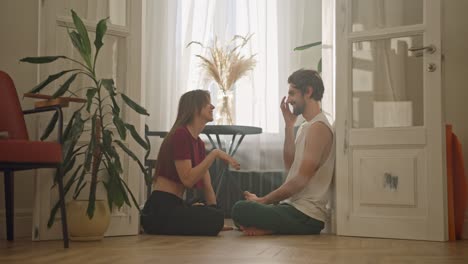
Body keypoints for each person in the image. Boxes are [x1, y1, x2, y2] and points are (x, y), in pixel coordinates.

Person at [231, 69, 335, 236]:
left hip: (306, 216)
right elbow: (290, 165)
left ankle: (270, 227)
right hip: (293, 208)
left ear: (308, 92)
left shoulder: (319, 128)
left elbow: (300, 180)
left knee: (240, 209)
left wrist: (263, 201)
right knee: (242, 211)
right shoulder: (305, 127)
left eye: (292, 93)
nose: (289, 100)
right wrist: (288, 126)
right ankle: (268, 227)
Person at [141, 89, 240, 236]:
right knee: (211, 217)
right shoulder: (181, 134)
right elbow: (187, 180)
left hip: (176, 204)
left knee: (214, 215)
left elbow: (207, 184)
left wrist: (215, 213)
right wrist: (215, 153)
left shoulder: (198, 143)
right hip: (160, 209)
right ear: (195, 108)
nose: (212, 107)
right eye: (207, 103)